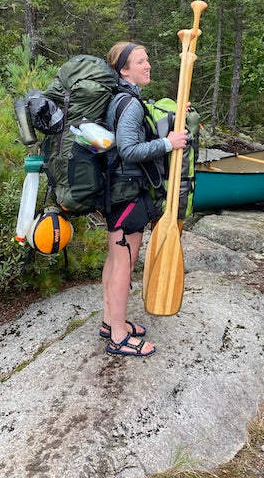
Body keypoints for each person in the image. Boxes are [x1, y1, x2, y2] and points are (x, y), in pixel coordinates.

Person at [100, 41, 187, 358]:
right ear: (124, 70)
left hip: (117, 192)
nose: (148, 65)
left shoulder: (122, 99)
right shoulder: (130, 103)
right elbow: (128, 150)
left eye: (147, 59)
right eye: (140, 61)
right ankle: (119, 337)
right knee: (123, 264)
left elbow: (137, 132)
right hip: (127, 194)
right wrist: (168, 143)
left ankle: (111, 322)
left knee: (114, 259)